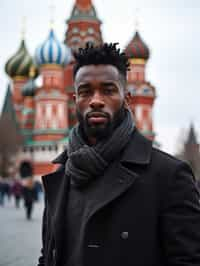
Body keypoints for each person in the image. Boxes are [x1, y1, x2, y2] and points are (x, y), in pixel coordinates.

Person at [38, 43, 200, 266]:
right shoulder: (61, 174)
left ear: (127, 99)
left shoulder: (168, 176)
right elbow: (48, 256)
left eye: (108, 90)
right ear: (75, 100)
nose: (96, 100)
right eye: (85, 91)